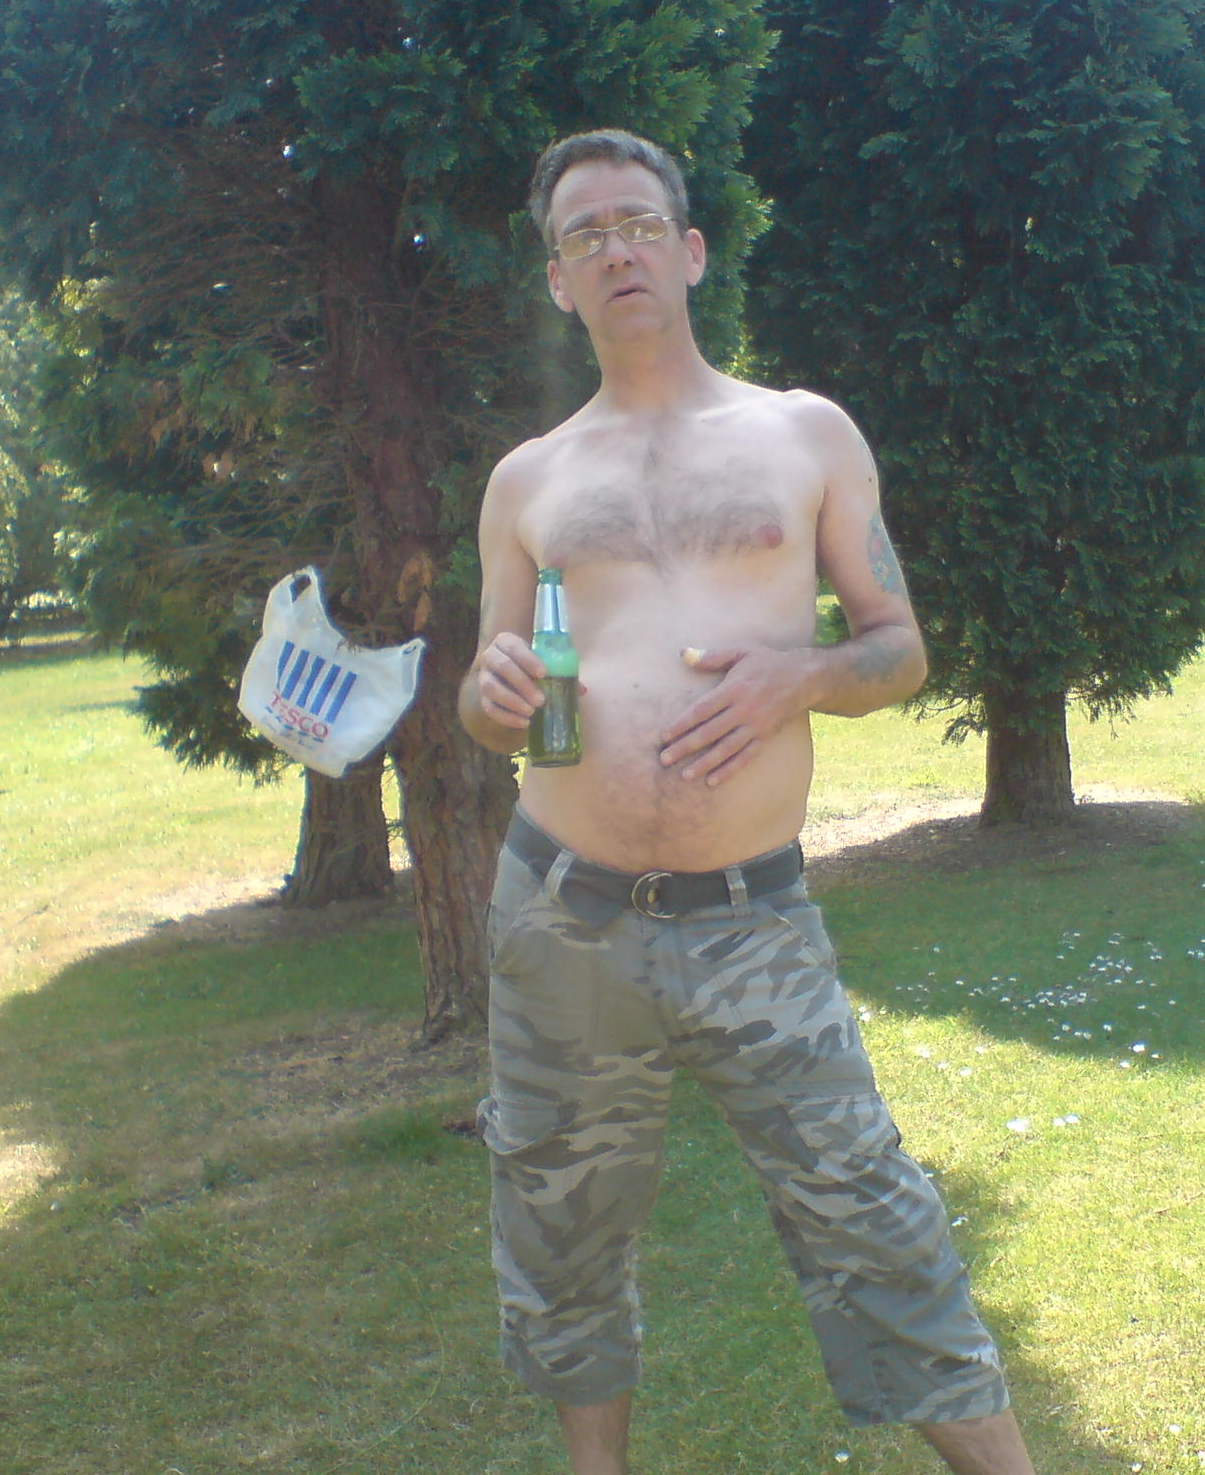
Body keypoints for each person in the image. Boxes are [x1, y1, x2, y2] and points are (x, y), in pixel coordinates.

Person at [458, 128, 1037, 1475]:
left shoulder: (803, 434)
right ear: (556, 280)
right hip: (560, 915)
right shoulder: (526, 481)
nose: (616, 249)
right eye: (585, 234)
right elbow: (493, 694)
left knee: (870, 1211)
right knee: (559, 1223)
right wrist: (487, 695)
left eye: (637, 223)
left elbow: (901, 648)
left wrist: (802, 677)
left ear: (691, 250)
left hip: (751, 918)